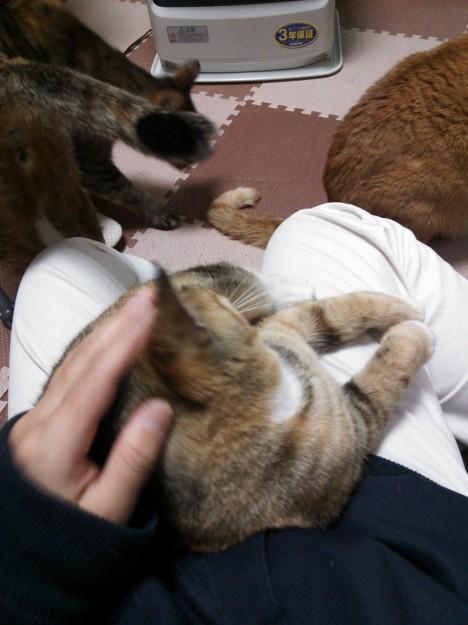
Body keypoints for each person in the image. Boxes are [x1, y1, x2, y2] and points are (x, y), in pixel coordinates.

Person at [1, 202, 468, 625]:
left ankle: (180, 304)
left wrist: (29, 576)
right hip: (389, 568)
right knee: (323, 228)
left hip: (95, 575)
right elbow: (344, 416)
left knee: (57, 266)